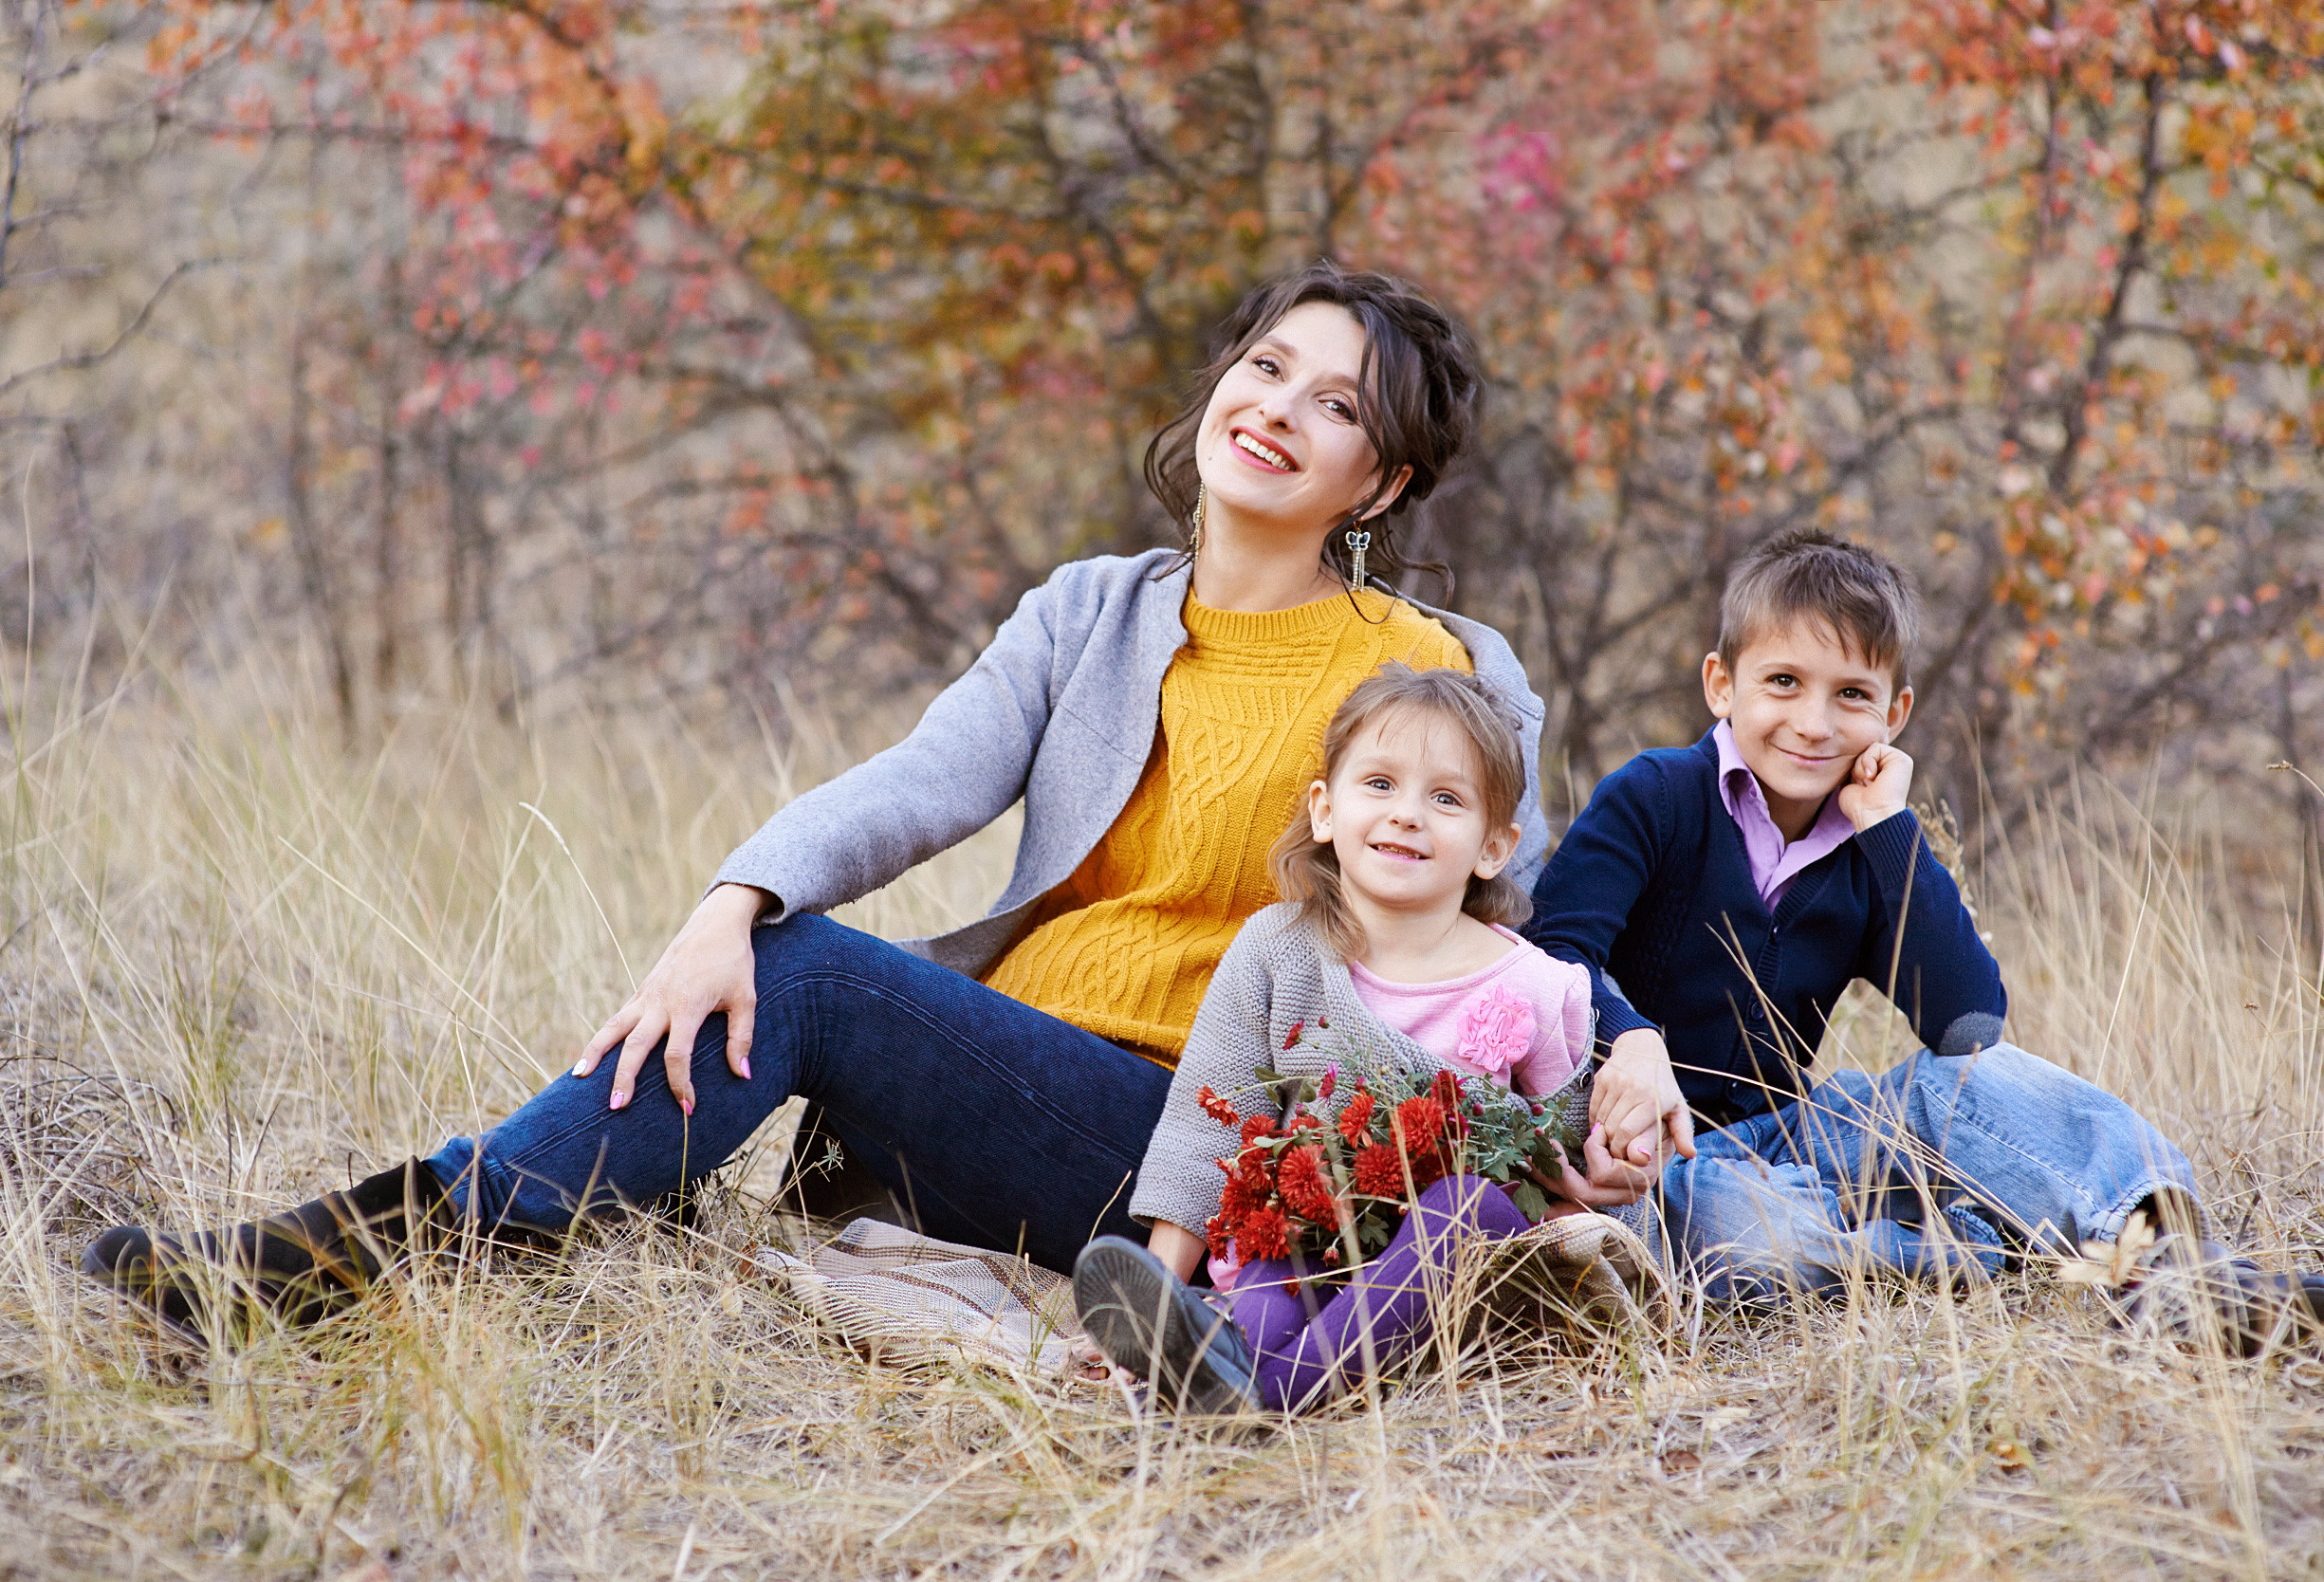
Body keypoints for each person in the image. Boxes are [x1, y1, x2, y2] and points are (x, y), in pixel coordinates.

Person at [82, 264, 1589, 1337]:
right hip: (1008, 1083)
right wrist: (727, 900)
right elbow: (921, 784)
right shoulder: (1093, 615)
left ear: (1378, 485)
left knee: (804, 980)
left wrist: (1628, 1058)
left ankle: (353, 1260)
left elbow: (1519, 915)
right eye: (1267, 366)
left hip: (1195, 1137)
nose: (1276, 410)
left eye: (1334, 406)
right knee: (768, 959)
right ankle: (402, 1253)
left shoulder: (1434, 670)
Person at [1529, 528, 2324, 1351]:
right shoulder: (1657, 795)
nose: (1813, 722)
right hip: (1658, 1163)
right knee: (1751, 1236)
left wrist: (1891, 832)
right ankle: (1978, 1250)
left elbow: (1966, 1027)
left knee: (1982, 1089)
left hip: (1796, 1132)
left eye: (1850, 695)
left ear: (1894, 713)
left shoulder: (1871, 845)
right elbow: (1553, 950)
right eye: (1783, 683)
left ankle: (2178, 1271)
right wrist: (1632, 1040)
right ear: (1722, 684)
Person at [1073, 663, 1604, 1413]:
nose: (1407, 815)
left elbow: (1566, 1155)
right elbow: (1203, 1124)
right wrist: (1159, 1280)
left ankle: (1264, 1394)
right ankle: (1191, 1353)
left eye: (1445, 798)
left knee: (1469, 1207)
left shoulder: (1536, 987)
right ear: (1325, 809)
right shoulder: (1276, 948)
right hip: (1314, 1240)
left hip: (1447, 1273)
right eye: (1379, 784)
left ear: (1493, 846)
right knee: (1275, 1237)